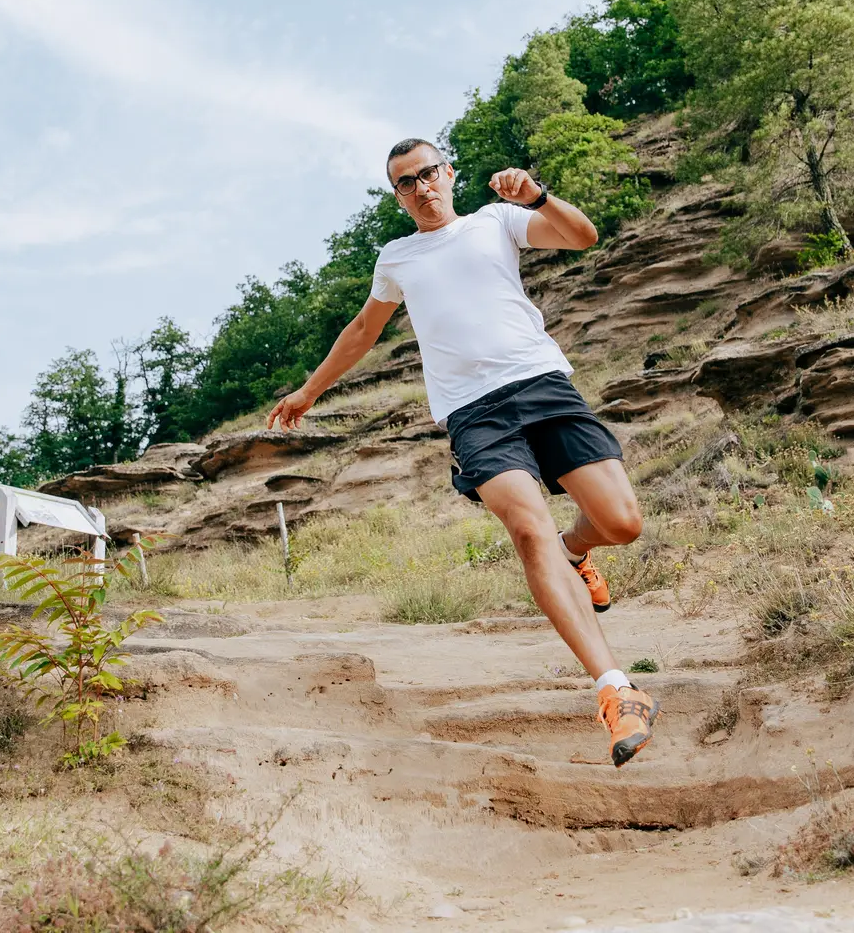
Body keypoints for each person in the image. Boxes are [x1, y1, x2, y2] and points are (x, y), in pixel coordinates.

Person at [267, 137, 658, 767]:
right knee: (528, 530)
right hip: (474, 413)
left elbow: (583, 237)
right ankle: (616, 689)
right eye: (404, 182)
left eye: (428, 173)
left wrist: (538, 196)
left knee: (622, 522)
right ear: (396, 196)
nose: (420, 187)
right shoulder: (396, 258)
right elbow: (364, 330)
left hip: (541, 384)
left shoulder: (496, 221)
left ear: (449, 174)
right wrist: (308, 392)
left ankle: (576, 550)